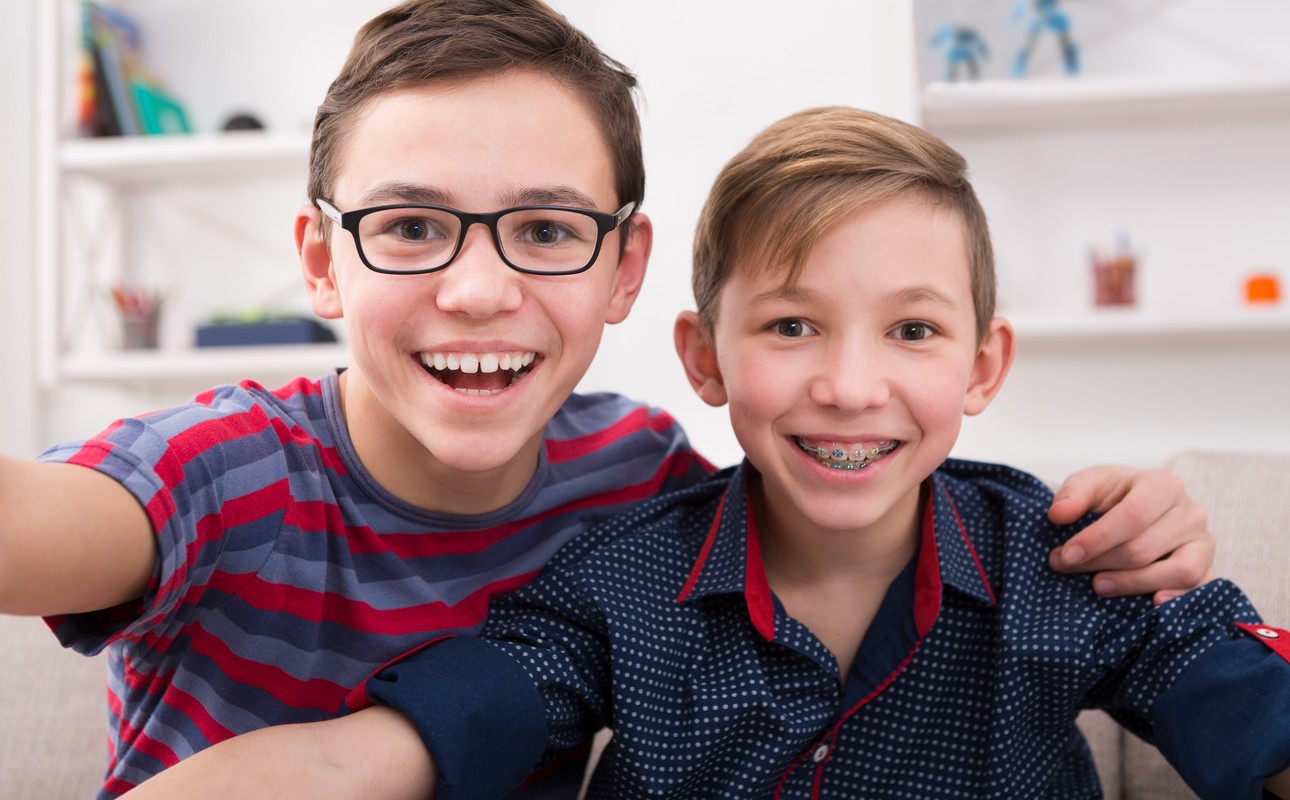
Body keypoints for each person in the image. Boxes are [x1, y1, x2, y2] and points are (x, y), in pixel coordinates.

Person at [1, 1, 1215, 797]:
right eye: (413, 225)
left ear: (622, 267)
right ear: (322, 261)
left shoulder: (638, 476)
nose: (478, 289)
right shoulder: (221, 466)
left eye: (542, 228)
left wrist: (1147, 521)